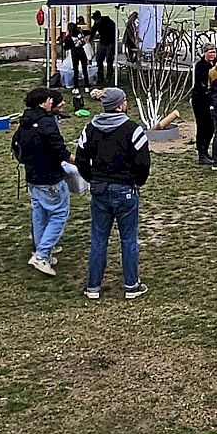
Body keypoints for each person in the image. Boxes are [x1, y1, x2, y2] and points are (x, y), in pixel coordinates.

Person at [76, 88, 150, 300]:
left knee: (98, 239)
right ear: (120, 106)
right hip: (125, 190)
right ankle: (131, 285)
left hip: (99, 190)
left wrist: (92, 178)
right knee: (128, 239)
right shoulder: (132, 129)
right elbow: (143, 162)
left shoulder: (90, 128)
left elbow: (81, 158)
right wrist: (137, 182)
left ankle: (93, 287)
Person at [11, 87, 73, 275]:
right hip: (50, 178)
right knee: (59, 214)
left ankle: (41, 251)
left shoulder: (25, 122)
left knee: (40, 216)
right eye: (48, 99)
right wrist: (79, 162)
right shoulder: (46, 123)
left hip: (32, 177)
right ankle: (42, 254)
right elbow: (60, 151)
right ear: (42, 102)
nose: (51, 101)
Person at [191, 45, 217, 165]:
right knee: (202, 126)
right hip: (200, 99)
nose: (212, 54)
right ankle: (201, 154)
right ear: (204, 53)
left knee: (211, 127)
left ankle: (206, 150)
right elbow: (202, 81)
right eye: (210, 52)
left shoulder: (215, 64)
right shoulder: (200, 66)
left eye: (214, 52)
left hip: (211, 99)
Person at [90, 8, 118, 83]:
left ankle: (109, 76)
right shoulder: (96, 23)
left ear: (99, 18)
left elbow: (113, 33)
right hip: (102, 42)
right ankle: (100, 76)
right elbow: (93, 31)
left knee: (109, 60)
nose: (95, 21)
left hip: (110, 42)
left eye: (96, 19)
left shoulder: (109, 23)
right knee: (99, 59)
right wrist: (90, 39)